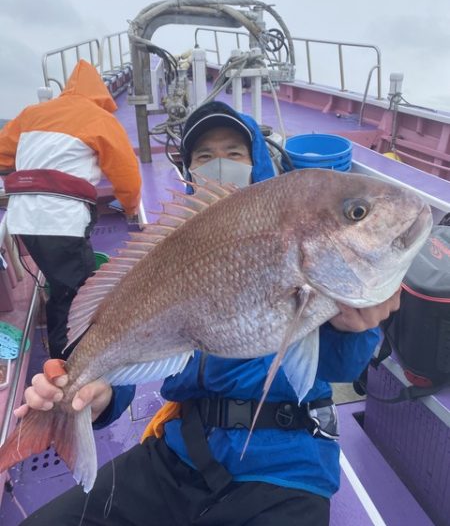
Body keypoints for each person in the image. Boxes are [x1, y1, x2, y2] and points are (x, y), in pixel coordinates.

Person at [16, 100, 400, 525]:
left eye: (234, 152)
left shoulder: (298, 233)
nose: (220, 163)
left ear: (256, 160)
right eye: (204, 155)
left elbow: (338, 365)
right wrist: (100, 394)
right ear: (189, 169)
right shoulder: (176, 244)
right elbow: (145, 353)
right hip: (181, 452)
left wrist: (354, 330)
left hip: (286, 465)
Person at [0, 60, 141, 359]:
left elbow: (2, 154)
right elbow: (126, 173)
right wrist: (129, 207)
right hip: (61, 223)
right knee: (77, 293)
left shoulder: (30, 114)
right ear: (101, 95)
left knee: (62, 280)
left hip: (23, 221)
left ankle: (65, 351)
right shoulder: (100, 120)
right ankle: (70, 359)